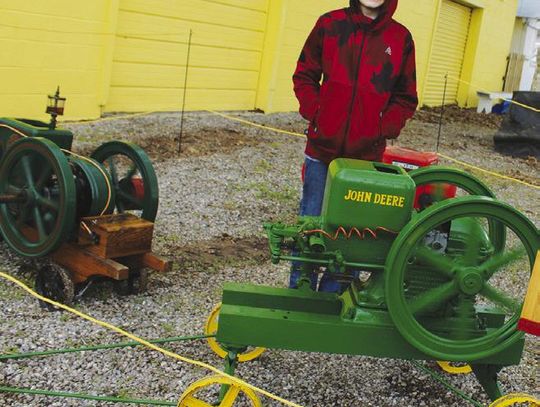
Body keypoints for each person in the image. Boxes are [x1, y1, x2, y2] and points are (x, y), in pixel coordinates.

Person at [290, 0, 418, 292]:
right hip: (321, 151)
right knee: (310, 223)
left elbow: (406, 96)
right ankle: (300, 294)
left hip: (365, 157)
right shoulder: (329, 24)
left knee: (358, 231)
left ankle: (335, 298)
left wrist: (383, 128)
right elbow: (304, 75)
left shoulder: (400, 39)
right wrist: (317, 112)